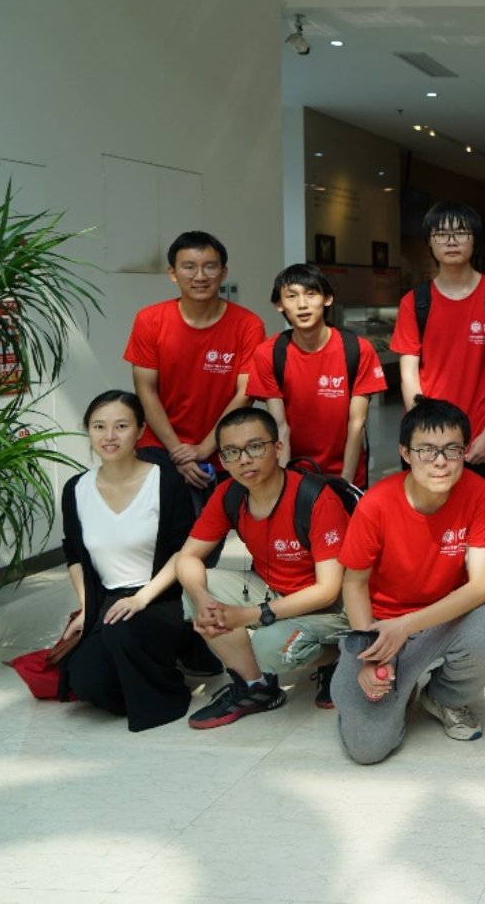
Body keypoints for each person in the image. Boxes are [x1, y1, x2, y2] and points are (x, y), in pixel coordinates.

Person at [331, 398, 485, 764]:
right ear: (405, 453)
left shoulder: (479, 493)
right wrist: (369, 655)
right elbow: (353, 584)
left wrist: (406, 626)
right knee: (367, 749)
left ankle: (443, 697)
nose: (440, 461)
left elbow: (480, 587)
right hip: (380, 625)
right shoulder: (376, 504)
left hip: (441, 619)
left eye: (452, 449)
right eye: (426, 450)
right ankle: (391, 687)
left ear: (465, 451)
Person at [177, 407, 350, 728]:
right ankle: (255, 687)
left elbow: (329, 589)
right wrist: (203, 600)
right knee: (196, 587)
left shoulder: (315, 498)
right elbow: (188, 557)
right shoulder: (230, 494)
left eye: (255, 447)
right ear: (223, 460)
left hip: (335, 607)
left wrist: (253, 615)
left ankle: (341, 656)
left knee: (270, 647)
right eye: (232, 452)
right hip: (276, 591)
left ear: (278, 448)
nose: (244, 460)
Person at [57, 391, 198, 731]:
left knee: (120, 633)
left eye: (121, 426)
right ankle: (165, 655)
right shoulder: (76, 488)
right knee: (86, 680)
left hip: (158, 596)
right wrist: (88, 609)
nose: (109, 436)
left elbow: (184, 550)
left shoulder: (165, 481)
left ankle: (173, 661)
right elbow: (74, 554)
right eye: (99, 426)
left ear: (140, 431)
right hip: (107, 598)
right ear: (88, 431)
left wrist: (141, 599)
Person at [389, 201, 485, 596]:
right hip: (428, 440)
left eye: (460, 232)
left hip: (481, 439)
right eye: (442, 234)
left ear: (474, 240)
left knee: (484, 527)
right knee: (427, 525)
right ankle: (431, 602)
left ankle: (482, 605)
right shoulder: (416, 301)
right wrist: (421, 436)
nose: (451, 241)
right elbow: (409, 370)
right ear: (430, 242)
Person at [124, 230, 266, 495]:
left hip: (223, 447)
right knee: (164, 519)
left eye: (209, 267)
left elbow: (245, 394)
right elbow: (145, 390)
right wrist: (179, 453)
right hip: (160, 446)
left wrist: (203, 448)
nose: (200, 276)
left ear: (223, 272)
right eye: (189, 267)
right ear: (173, 273)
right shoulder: (150, 320)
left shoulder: (248, 325)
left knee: (216, 521)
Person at [245, 263, 386, 488]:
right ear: (279, 304)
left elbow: (357, 424)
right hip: (296, 473)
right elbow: (281, 427)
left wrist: (345, 484)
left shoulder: (357, 350)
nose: (302, 304)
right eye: (291, 296)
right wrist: (286, 486)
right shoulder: (269, 354)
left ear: (328, 298)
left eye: (311, 294)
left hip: (347, 472)